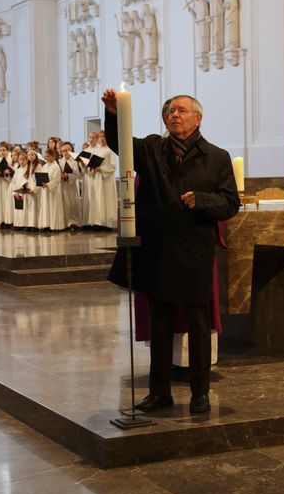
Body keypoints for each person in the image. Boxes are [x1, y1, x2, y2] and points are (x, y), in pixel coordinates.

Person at [102, 89, 240, 414]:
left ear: (198, 118)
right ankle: (159, 392)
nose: (174, 115)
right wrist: (113, 115)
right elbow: (119, 144)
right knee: (160, 323)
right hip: (159, 248)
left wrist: (202, 200)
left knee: (198, 322)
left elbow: (231, 203)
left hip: (194, 250)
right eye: (169, 112)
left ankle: (200, 393)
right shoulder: (152, 148)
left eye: (181, 110)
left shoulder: (216, 157)